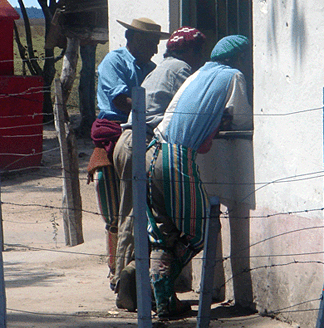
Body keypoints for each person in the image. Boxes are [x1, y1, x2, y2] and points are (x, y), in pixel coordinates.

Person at [146, 35, 253, 318]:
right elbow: (243, 119)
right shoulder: (233, 75)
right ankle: (162, 283)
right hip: (177, 158)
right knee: (201, 230)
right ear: (239, 58)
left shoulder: (197, 74)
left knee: (164, 232)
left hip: (153, 151)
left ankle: (163, 302)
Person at [111, 26, 207, 312]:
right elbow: (189, 107)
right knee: (139, 217)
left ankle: (136, 285)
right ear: (189, 50)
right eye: (199, 51)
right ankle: (128, 286)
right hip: (140, 142)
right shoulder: (181, 70)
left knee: (142, 217)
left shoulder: (163, 67)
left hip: (131, 140)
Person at [86, 17, 169, 294]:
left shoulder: (152, 68)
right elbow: (121, 100)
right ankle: (119, 274)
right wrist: (156, 106)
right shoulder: (114, 61)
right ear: (133, 38)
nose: (155, 50)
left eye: (157, 44)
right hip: (117, 130)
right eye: (151, 44)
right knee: (124, 209)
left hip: (143, 130)